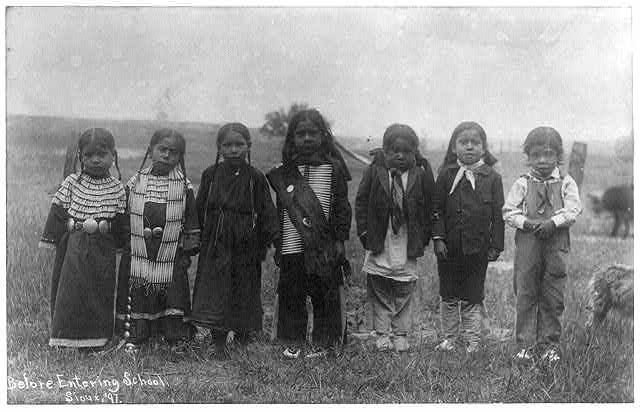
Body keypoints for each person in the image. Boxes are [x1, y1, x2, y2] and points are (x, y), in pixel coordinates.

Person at [266, 109, 352, 358]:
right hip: (293, 245)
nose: (306, 138)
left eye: (312, 133)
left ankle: (326, 342)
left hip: (324, 246)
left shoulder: (334, 169)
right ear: (291, 138)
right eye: (300, 133)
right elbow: (283, 211)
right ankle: (292, 341)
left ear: (322, 136)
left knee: (325, 293)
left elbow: (341, 209)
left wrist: (340, 241)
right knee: (292, 294)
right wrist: (281, 243)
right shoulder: (285, 173)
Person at [190, 123, 279, 358]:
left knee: (245, 287)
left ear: (248, 147)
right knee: (216, 288)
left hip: (246, 243)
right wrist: (193, 238)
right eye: (227, 145)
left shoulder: (255, 178)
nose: (233, 150)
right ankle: (217, 339)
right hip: (216, 243)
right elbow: (200, 209)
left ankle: (243, 335)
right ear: (219, 148)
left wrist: (274, 239)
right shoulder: (210, 175)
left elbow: (267, 210)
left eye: (238, 145)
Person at [39, 128, 128, 349]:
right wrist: (51, 239)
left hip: (103, 248)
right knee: (71, 289)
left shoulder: (117, 188)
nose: (95, 160)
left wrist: (122, 246)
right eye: (88, 155)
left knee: (100, 290)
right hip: (74, 247)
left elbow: (120, 221)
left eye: (102, 154)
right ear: (80, 157)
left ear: (113, 155)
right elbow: (58, 211)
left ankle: (97, 338)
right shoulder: (72, 183)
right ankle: (65, 337)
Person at [116, 128, 200, 353]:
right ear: (150, 150)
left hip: (171, 251)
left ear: (180, 156)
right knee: (140, 290)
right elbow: (125, 215)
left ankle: (174, 336)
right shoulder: (135, 183)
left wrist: (189, 245)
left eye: (173, 152)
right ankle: (138, 335)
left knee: (173, 292)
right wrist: (128, 242)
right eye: (162, 149)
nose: (167, 155)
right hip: (139, 250)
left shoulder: (184, 187)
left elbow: (191, 217)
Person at [503, 126, 582, 363]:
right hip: (528, 245)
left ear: (559, 155)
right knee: (526, 292)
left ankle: (550, 345)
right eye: (536, 155)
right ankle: (525, 345)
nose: (543, 160)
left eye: (549, 154)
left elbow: (573, 210)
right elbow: (508, 211)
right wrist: (526, 223)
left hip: (556, 245)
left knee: (553, 294)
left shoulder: (567, 182)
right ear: (528, 156)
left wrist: (553, 222)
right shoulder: (522, 183)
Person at [355, 124, 435, 352]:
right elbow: (361, 202)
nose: (400, 156)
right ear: (385, 151)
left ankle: (400, 334)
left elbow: (429, 206)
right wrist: (363, 232)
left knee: (404, 288)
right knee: (379, 288)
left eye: (406, 151)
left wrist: (425, 235)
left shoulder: (419, 174)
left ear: (415, 152)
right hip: (381, 238)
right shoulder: (375, 172)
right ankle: (382, 334)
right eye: (393, 151)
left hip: (407, 240)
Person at [432, 121, 504, 354]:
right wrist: (438, 238)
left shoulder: (492, 178)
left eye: (475, 143)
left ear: (484, 148)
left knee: (473, 295)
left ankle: (473, 341)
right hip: (449, 249)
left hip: (478, 249)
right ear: (454, 148)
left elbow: (498, 215)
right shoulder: (445, 175)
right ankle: (450, 339)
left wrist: (496, 245)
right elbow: (437, 210)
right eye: (464, 142)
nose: (470, 147)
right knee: (449, 294)